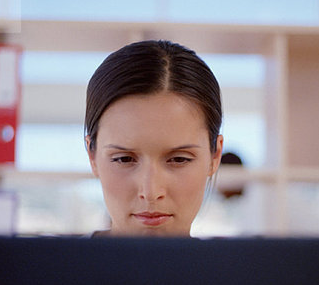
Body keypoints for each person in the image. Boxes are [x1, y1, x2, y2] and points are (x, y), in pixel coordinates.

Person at [84, 40, 224, 237]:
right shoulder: (47, 268)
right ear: (92, 155)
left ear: (215, 156)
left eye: (179, 159)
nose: (150, 193)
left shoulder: (238, 268)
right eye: (124, 159)